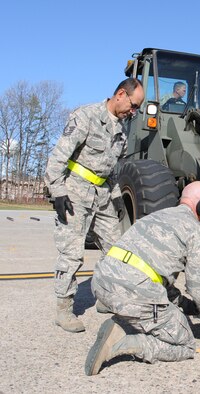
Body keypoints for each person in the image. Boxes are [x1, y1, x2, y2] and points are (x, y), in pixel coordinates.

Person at [85, 181, 200, 376]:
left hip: (101, 283)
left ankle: (120, 314)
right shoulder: (196, 233)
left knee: (160, 301)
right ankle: (120, 342)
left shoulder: (157, 216)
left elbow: (155, 274)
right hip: (132, 292)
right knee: (185, 344)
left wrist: (184, 304)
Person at [44, 78, 145, 333]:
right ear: (121, 94)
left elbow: (111, 171)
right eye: (133, 106)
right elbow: (57, 157)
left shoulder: (121, 130)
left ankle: (104, 295)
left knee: (115, 248)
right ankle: (64, 309)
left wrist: (117, 198)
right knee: (72, 252)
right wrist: (57, 192)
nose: (133, 112)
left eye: (136, 109)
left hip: (102, 195)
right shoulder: (86, 116)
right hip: (74, 192)